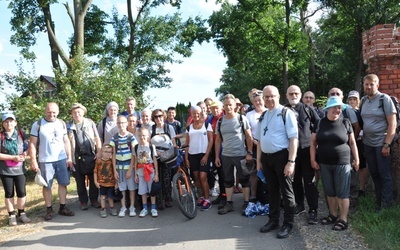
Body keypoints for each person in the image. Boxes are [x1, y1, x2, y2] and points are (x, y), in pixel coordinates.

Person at [310, 96, 359, 231]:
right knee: (329, 191)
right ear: (327, 109)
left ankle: (343, 219)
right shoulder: (319, 123)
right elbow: (313, 144)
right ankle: (333, 214)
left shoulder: (345, 122)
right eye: (334, 107)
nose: (337, 110)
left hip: (342, 163)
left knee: (342, 192)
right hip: (324, 163)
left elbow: (353, 143)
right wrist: (313, 160)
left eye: (339, 108)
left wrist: (357, 159)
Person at [256, 85, 298, 239]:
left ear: (278, 96)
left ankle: (288, 224)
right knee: (272, 191)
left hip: (282, 157)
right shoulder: (264, 115)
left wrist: (291, 162)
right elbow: (259, 141)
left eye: (272, 96)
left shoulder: (286, 113)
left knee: (286, 193)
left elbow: (294, 139)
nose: (269, 99)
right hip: (267, 159)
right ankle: (273, 220)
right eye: (266, 97)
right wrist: (259, 161)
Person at [29, 102, 75, 221]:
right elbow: (33, 144)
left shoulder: (61, 123)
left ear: (58, 112)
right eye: (49, 112)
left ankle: (63, 207)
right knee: (47, 186)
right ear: (45, 111)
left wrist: (69, 157)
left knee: (63, 183)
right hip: (45, 160)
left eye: (54, 112)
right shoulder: (38, 124)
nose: (51, 114)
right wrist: (33, 160)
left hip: (61, 159)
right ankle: (49, 209)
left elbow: (66, 141)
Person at [361, 74, 397, 211]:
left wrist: (387, 144)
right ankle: (378, 201)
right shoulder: (364, 100)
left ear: (377, 85)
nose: (369, 87)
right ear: (363, 85)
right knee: (374, 173)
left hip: (382, 143)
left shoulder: (384, 99)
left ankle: (386, 205)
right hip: (368, 143)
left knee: (384, 173)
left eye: (372, 84)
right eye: (366, 84)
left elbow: (392, 123)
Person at [285, 85, 320, 224]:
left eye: (296, 93)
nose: (294, 95)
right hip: (290, 151)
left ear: (300, 95)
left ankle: (313, 210)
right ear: (286, 95)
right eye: (291, 93)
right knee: (295, 180)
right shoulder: (283, 110)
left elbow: (318, 123)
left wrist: (315, 142)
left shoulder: (307, 108)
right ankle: (299, 205)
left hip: (306, 149)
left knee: (309, 181)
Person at [214, 94, 253, 216]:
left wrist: (249, 153)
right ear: (223, 107)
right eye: (225, 105)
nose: (228, 107)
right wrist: (216, 156)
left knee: (244, 180)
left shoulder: (242, 119)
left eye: (230, 105)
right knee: (228, 180)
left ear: (235, 105)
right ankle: (229, 203)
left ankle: (246, 203)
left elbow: (248, 136)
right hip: (226, 155)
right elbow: (218, 140)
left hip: (240, 154)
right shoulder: (220, 121)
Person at [67, 103, 102, 210]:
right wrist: (69, 157)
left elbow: (97, 139)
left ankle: (94, 200)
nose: (77, 114)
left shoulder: (90, 123)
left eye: (79, 112)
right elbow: (66, 142)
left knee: (93, 179)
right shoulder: (68, 125)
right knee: (79, 181)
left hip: (90, 155)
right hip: (76, 157)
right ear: (72, 114)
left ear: (83, 112)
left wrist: (99, 152)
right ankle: (83, 202)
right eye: (74, 112)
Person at [0, 113, 31, 226]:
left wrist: (24, 154)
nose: (9, 123)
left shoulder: (21, 135)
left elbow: (28, 148)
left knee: (21, 192)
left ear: (15, 122)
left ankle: (22, 213)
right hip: (5, 170)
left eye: (11, 121)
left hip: (20, 170)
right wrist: (13, 157)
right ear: (3, 124)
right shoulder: (1, 136)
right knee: (9, 193)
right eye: (6, 122)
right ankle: (11, 215)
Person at [185, 106, 214, 211]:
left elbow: (211, 141)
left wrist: (206, 155)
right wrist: (186, 158)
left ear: (201, 113)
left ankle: (207, 199)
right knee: (196, 177)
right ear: (191, 114)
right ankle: (201, 197)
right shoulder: (189, 128)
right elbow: (187, 144)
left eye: (198, 113)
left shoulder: (207, 125)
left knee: (203, 177)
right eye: (194, 113)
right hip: (192, 155)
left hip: (203, 155)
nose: (196, 115)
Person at [110, 115, 138, 217]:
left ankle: (132, 207)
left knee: (131, 188)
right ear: (117, 124)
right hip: (119, 168)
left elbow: (134, 155)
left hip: (129, 167)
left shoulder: (131, 137)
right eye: (119, 123)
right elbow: (113, 155)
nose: (121, 125)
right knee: (122, 189)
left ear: (126, 123)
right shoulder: (115, 138)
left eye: (123, 122)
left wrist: (131, 169)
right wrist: (114, 170)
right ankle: (123, 207)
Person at [150, 109, 177, 210]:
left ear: (164, 116)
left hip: (167, 157)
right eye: (156, 117)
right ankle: (159, 200)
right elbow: (148, 143)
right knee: (157, 179)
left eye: (160, 116)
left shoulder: (169, 127)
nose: (158, 118)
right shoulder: (151, 129)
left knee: (167, 179)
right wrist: (155, 152)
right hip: (155, 157)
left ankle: (168, 199)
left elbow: (173, 143)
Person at [245, 89, 267, 202]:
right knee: (254, 172)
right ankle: (253, 195)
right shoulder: (249, 115)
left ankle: (269, 194)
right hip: (254, 145)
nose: (258, 103)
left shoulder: (269, 112)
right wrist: (254, 142)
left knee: (268, 170)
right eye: (255, 101)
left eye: (259, 100)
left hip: (268, 146)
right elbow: (247, 132)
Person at [134, 127, 159, 217]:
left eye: (144, 135)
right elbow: (135, 160)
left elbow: (155, 160)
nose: (142, 137)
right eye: (140, 136)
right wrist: (136, 174)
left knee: (151, 190)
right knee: (142, 191)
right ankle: (144, 208)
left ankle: (153, 208)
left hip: (150, 171)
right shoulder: (136, 147)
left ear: (148, 136)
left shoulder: (151, 146)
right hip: (140, 171)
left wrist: (156, 174)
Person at [347, 90, 368, 198]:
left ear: (358, 100)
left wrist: (353, 141)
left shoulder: (360, 111)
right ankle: (354, 187)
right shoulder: (347, 110)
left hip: (358, 141)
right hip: (354, 141)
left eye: (354, 99)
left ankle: (361, 189)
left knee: (361, 165)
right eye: (350, 99)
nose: (352, 101)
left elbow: (357, 127)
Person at [208, 100, 227, 208]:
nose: (215, 110)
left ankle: (225, 197)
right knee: (219, 174)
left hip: (225, 149)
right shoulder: (210, 120)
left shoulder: (224, 118)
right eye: (213, 108)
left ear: (221, 108)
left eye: (217, 108)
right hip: (215, 150)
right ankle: (221, 194)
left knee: (225, 175)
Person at [94, 145, 118, 218]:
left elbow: (115, 173)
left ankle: (112, 207)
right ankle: (103, 208)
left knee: (111, 196)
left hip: (111, 183)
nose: (108, 154)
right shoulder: (99, 161)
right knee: (103, 196)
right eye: (106, 152)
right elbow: (95, 171)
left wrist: (116, 183)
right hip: (101, 183)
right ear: (102, 152)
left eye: (110, 152)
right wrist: (95, 181)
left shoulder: (112, 162)